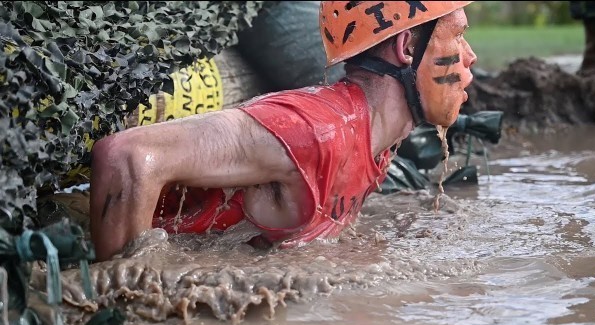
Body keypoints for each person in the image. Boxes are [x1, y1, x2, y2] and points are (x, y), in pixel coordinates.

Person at [89, 1, 478, 262]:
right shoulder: (316, 129)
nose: (470, 54)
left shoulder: (378, 137)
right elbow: (127, 156)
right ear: (406, 46)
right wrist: (129, 309)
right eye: (457, 35)